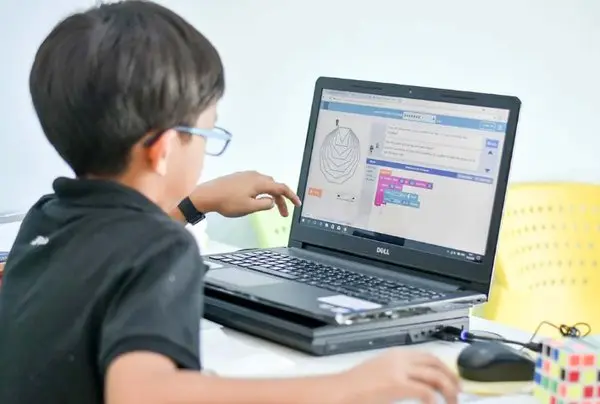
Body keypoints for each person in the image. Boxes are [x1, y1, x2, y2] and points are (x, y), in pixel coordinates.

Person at [0, 2, 460, 404]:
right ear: (164, 150)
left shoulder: (48, 218)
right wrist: (346, 387)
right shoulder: (161, 250)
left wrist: (195, 202)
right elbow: (143, 395)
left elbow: (109, 254)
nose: (207, 145)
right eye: (206, 132)